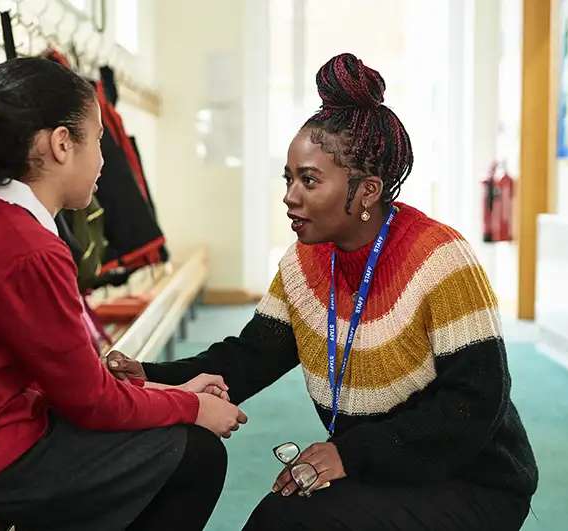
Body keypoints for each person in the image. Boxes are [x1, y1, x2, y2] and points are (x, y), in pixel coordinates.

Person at [112, 53, 538, 530]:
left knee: (287, 524)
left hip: (472, 479)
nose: (290, 196)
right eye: (288, 178)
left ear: (367, 190)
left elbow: (475, 402)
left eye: (309, 180)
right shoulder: (304, 263)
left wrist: (348, 453)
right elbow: (248, 357)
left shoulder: (440, 259)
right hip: (385, 467)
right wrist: (147, 373)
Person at [0, 57, 246, 531]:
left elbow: (66, 382)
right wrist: (192, 407)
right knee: (196, 454)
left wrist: (164, 391)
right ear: (62, 144)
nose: (104, 161)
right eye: (98, 141)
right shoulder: (27, 248)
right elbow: (90, 402)